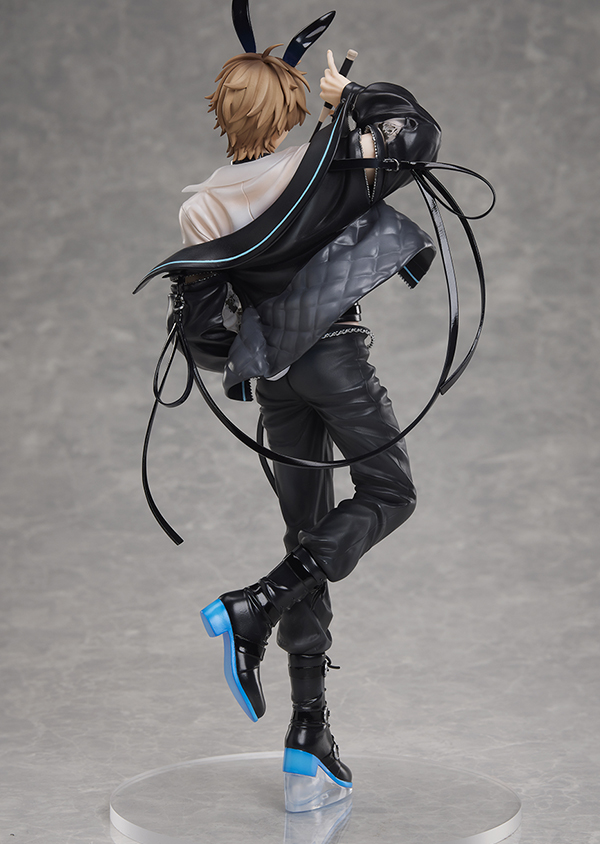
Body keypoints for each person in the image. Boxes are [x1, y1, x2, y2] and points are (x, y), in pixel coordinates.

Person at [150, 40, 443, 811]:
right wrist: (352, 97)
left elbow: (203, 334)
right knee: (391, 493)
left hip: (275, 377)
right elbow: (418, 137)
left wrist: (255, 342)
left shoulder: (200, 207)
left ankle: (308, 733)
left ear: (225, 114)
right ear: (287, 113)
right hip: (336, 357)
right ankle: (257, 603)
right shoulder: (323, 162)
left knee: (307, 533)